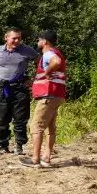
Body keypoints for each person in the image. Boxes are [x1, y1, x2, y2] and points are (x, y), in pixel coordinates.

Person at [0, 27, 38, 155]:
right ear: (6, 38)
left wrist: (33, 80)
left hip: (20, 89)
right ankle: (3, 146)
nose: (17, 41)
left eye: (19, 38)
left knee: (20, 119)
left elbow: (40, 63)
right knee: (2, 119)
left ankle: (19, 146)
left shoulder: (27, 50)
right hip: (2, 88)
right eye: (14, 38)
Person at [28, 29, 67, 168]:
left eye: (39, 40)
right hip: (57, 95)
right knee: (50, 127)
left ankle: (35, 159)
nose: (38, 42)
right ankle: (46, 157)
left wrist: (47, 71)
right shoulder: (57, 52)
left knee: (36, 126)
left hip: (48, 95)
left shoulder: (48, 54)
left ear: (44, 41)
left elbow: (55, 62)